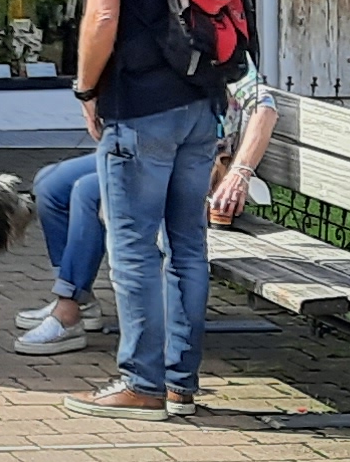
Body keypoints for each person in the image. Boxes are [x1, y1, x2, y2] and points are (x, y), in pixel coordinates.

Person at [63, 0, 227, 420]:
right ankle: (182, 384)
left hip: (140, 105)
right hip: (199, 102)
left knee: (133, 245)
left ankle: (141, 381)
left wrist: (86, 89)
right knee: (187, 245)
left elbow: (102, 14)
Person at [15, 79, 282, 356]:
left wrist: (240, 172)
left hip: (188, 161)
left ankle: (67, 310)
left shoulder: (215, 47)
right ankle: (79, 294)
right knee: (50, 185)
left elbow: (265, 106)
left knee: (88, 192)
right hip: (139, 145)